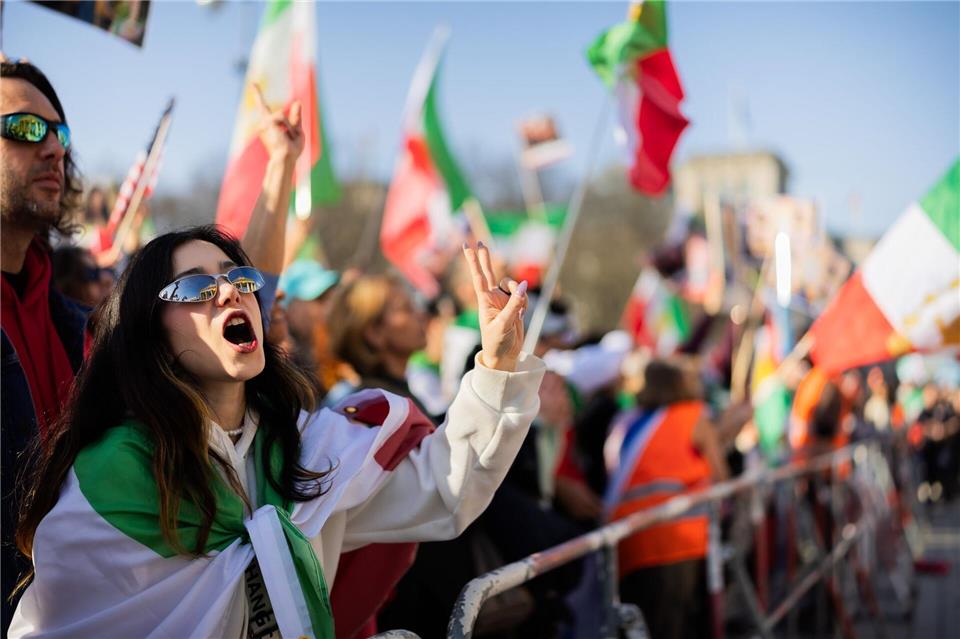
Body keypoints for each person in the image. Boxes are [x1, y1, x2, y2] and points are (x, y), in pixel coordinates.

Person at [9, 227, 542, 637]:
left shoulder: (310, 450)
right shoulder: (108, 477)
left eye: (240, 279)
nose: (229, 293)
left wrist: (496, 369)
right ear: (150, 333)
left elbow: (445, 489)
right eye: (196, 285)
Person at [0, 57, 87, 634]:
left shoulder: (81, 330)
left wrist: (279, 167)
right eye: (27, 129)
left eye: (60, 133)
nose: (53, 148)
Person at [604, 357, 751, 639]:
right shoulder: (693, 415)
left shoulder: (627, 421)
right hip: (677, 541)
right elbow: (720, 476)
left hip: (629, 542)